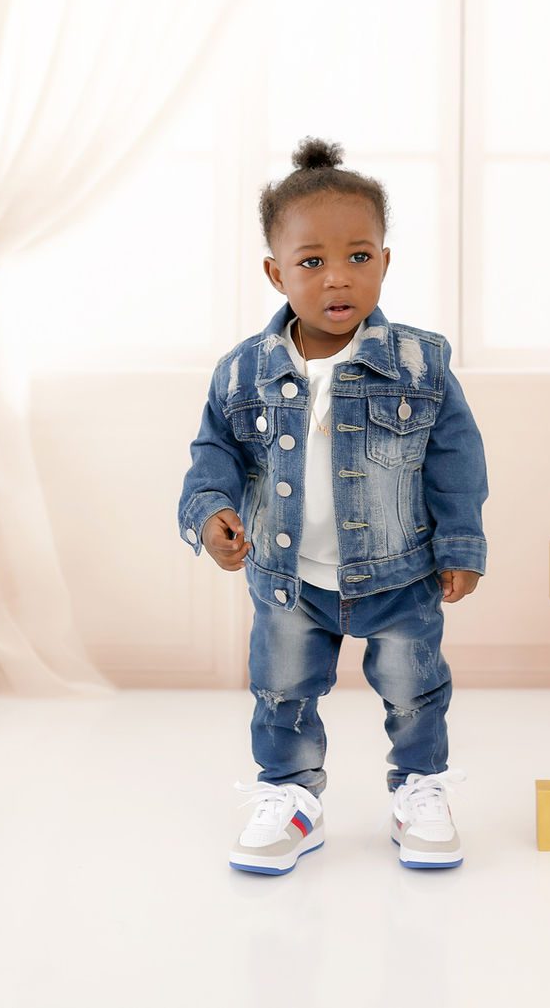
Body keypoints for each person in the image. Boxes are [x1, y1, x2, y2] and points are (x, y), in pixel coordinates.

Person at [178, 137, 488, 876]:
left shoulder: (419, 362)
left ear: (384, 260)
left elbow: (456, 459)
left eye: (358, 256)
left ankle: (419, 789)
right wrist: (210, 511)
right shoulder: (243, 370)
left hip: (399, 573)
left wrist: (461, 543)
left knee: (415, 689)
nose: (336, 277)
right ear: (275, 271)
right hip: (289, 580)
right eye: (311, 261)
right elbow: (211, 452)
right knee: (283, 692)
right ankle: (290, 798)